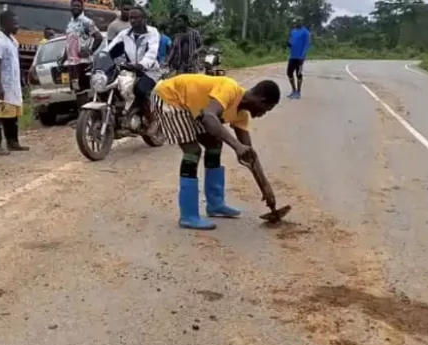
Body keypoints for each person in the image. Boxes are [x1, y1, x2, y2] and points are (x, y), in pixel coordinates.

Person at [151, 74, 281, 230]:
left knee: (214, 144)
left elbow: (250, 155)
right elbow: (209, 117)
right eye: (266, 110)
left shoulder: (242, 115)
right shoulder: (230, 89)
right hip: (169, 97)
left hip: (192, 107)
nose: (262, 114)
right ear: (262, 101)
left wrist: (266, 188)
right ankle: (188, 216)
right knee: (192, 151)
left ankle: (215, 205)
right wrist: (236, 146)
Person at [103, 5, 160, 134]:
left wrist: (142, 64)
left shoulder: (152, 32)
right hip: (131, 70)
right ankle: (122, 117)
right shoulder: (124, 34)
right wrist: (100, 58)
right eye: (131, 18)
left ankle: (153, 120)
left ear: (143, 18)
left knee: (140, 90)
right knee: (114, 87)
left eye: (136, 18)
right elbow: (109, 49)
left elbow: (152, 52)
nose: (132, 21)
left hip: (150, 70)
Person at [0, 10, 29, 156]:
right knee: (1, 115)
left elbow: (14, 63)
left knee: (13, 115)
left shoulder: (13, 41)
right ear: (5, 23)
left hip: (14, 85)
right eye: (14, 22)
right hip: (4, 84)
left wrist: (22, 80)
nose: (17, 25)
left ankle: (13, 142)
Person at [58, 0, 105, 107]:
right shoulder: (70, 24)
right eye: (73, 5)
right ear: (70, 7)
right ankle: (81, 117)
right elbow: (68, 43)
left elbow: (98, 37)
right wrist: (63, 59)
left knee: (84, 91)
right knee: (77, 90)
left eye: (78, 6)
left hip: (83, 62)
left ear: (82, 8)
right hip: (72, 63)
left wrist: (90, 51)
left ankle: (86, 118)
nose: (75, 7)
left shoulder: (87, 22)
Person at [287, 20, 310, 99]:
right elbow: (291, 43)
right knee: (289, 73)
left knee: (298, 74)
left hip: (300, 57)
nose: (297, 23)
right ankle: (293, 90)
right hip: (292, 56)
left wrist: (302, 57)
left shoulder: (306, 32)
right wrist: (289, 44)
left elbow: (306, 45)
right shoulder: (293, 31)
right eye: (296, 22)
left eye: (298, 22)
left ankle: (298, 92)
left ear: (301, 22)